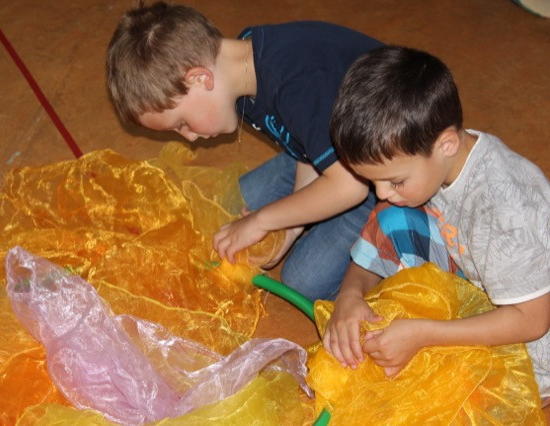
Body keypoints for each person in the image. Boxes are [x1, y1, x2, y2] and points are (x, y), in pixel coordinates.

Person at [106, 1, 382, 301]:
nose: (188, 137)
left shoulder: (295, 84)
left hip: (378, 175)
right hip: (332, 150)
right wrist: (289, 230)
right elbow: (303, 146)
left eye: (182, 123)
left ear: (200, 79)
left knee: (303, 280)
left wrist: (264, 220)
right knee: (228, 207)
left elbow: (351, 186)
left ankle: (390, 248)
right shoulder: (240, 67)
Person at [323, 45, 550, 401]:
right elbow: (385, 227)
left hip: (536, 342)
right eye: (373, 182)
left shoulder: (505, 207)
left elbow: (533, 320)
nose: (382, 192)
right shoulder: (435, 159)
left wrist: (425, 334)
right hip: (484, 281)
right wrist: (349, 296)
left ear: (446, 144)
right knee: (393, 217)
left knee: (442, 398)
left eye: (395, 181)